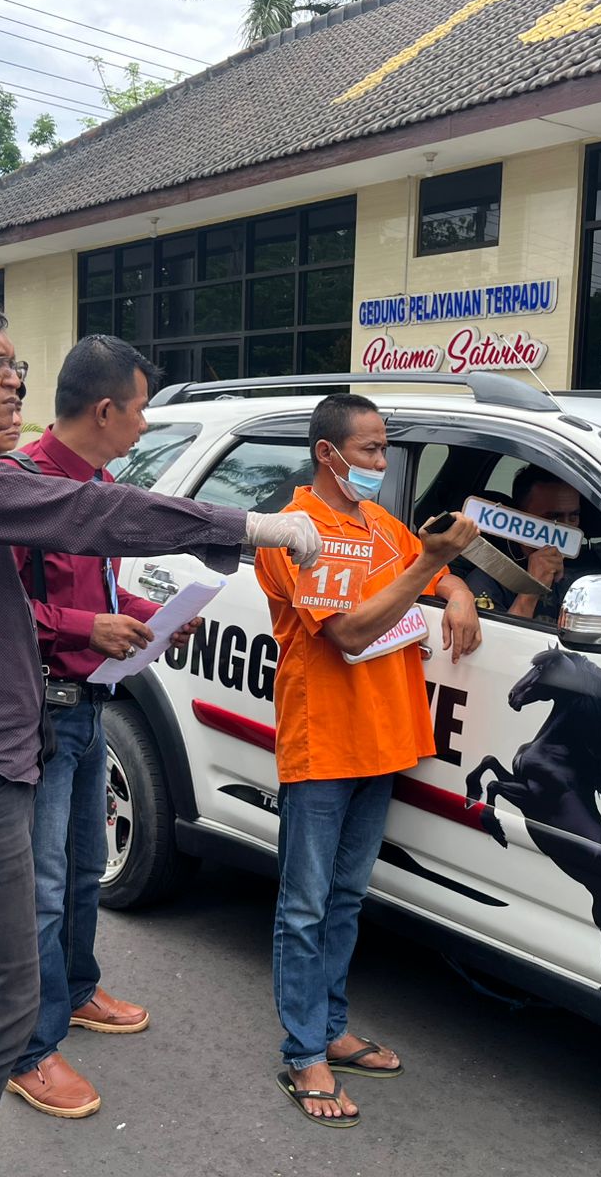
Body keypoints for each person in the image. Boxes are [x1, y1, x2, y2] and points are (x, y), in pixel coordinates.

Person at [0, 296, 319, 1177]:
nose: (15, 376)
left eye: (15, 360)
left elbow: (69, 538)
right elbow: (86, 517)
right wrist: (250, 526)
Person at [254, 392, 482, 1127]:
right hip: (324, 742)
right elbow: (349, 632)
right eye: (372, 451)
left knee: (347, 898)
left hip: (384, 741)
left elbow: (422, 566)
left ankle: (331, 1028)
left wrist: (460, 589)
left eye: (385, 449)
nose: (383, 464)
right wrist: (433, 569)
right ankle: (303, 1053)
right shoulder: (296, 532)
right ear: (329, 454)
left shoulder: (375, 523)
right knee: (304, 906)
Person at [0, 336, 201, 1120]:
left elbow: (103, 587)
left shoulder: (99, 485)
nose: (147, 424)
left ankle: (77, 991)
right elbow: (3, 611)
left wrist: (151, 619)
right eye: (143, 407)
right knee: (44, 885)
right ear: (106, 408)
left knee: (86, 867)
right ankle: (29, 1048)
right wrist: (90, 627)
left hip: (93, 706)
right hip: (42, 708)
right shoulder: (20, 489)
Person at [464, 465, 585, 623]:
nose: (566, 527)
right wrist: (531, 590)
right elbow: (501, 644)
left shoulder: (587, 571)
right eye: (554, 517)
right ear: (520, 515)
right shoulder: (487, 578)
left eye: (573, 516)